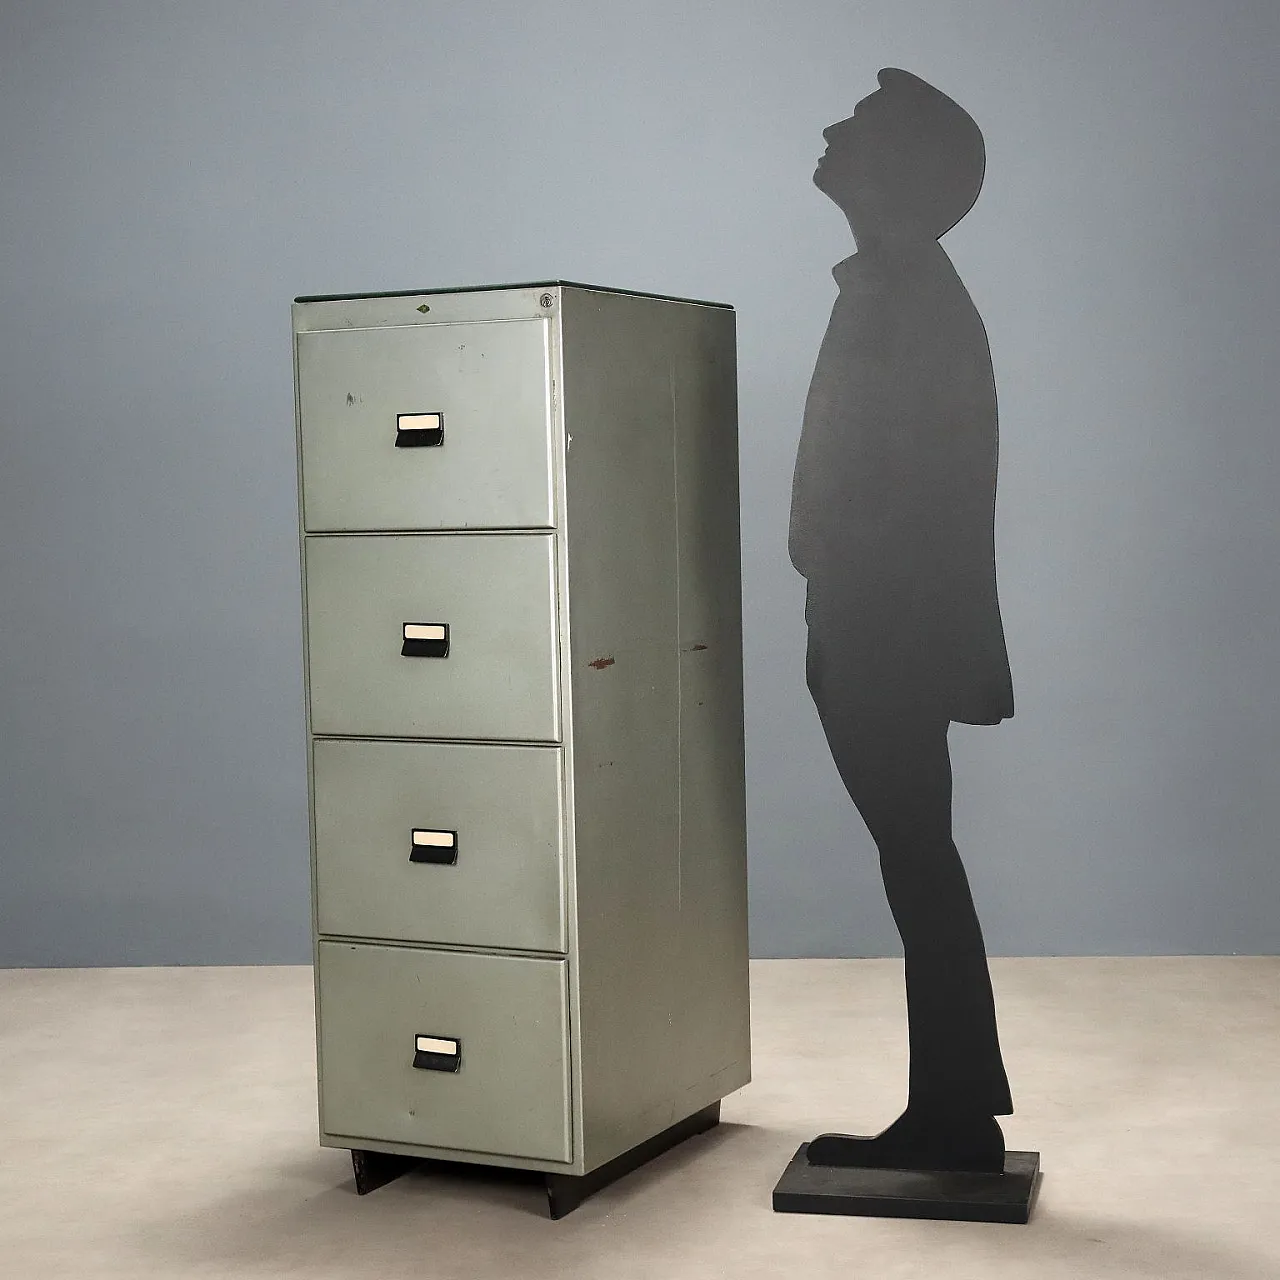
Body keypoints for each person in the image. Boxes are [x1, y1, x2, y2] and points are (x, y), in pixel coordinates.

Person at [789, 68, 1014, 1172]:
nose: (833, 128)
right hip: (874, 620)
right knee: (917, 856)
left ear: (903, 170)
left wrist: (842, 588)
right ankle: (955, 1103)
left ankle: (954, 1113)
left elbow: (922, 483)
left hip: (885, 628)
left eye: (860, 125)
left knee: (917, 856)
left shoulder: (908, 294)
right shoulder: (895, 286)